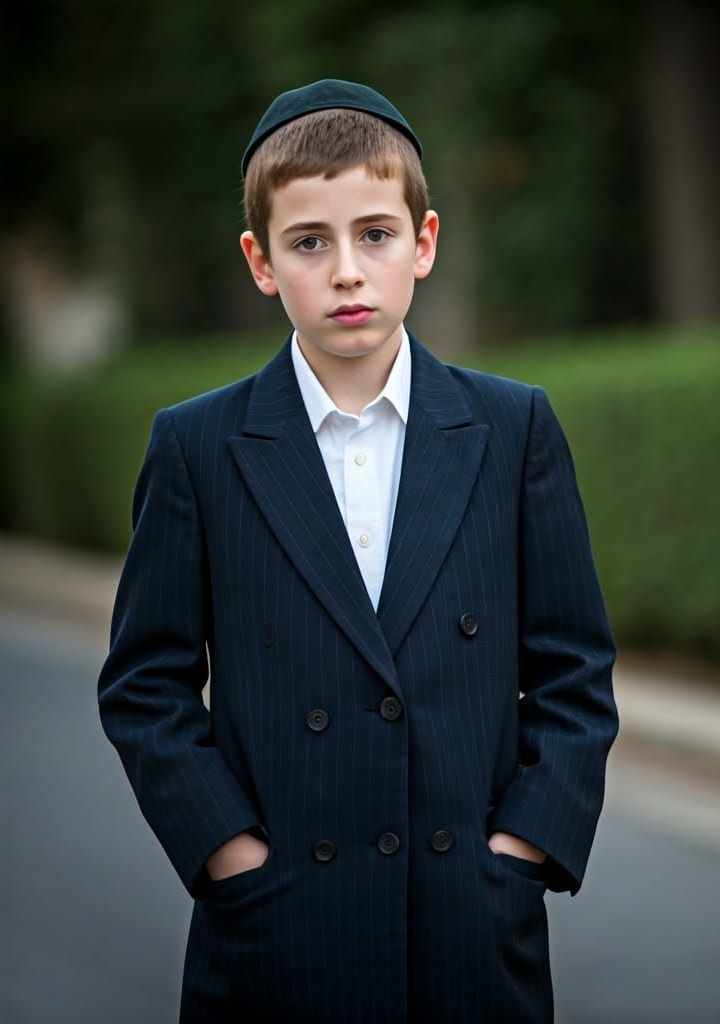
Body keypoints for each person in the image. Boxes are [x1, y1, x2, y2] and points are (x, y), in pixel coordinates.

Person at [97, 78, 619, 1024]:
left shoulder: (512, 429)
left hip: (468, 931)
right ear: (261, 262)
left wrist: (518, 856)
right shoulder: (198, 447)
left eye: (374, 234)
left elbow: (575, 671)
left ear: (422, 242)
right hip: (278, 933)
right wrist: (231, 857)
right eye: (310, 242)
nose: (346, 270)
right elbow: (145, 685)